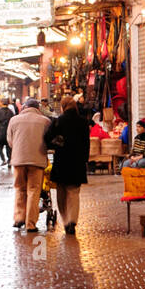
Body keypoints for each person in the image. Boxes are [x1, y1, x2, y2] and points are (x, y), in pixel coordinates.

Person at [45, 95, 91, 235]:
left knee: (61, 193)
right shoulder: (83, 122)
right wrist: (85, 159)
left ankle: (65, 220)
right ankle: (72, 221)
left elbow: (47, 139)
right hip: (77, 162)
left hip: (62, 161)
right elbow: (86, 144)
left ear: (63, 107)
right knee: (74, 193)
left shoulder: (58, 121)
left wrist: (59, 144)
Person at [7, 96, 51, 232]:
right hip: (37, 160)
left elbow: (9, 140)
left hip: (19, 160)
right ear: (38, 109)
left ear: (25, 107)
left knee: (20, 188)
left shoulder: (14, 120)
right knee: (34, 191)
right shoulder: (45, 121)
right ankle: (30, 223)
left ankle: (19, 218)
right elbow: (49, 140)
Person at [0, 97, 14, 165]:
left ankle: (3, 159)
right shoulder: (10, 112)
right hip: (8, 132)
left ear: (2, 103)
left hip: (0, 132)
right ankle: (9, 160)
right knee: (8, 147)